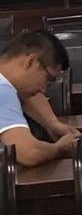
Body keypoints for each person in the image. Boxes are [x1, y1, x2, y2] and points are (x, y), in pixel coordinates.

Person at [0, 30, 78, 167]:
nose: (43, 90)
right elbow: (29, 153)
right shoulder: (3, 90)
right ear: (30, 62)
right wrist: (59, 148)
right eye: (47, 79)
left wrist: (52, 124)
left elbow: (27, 94)